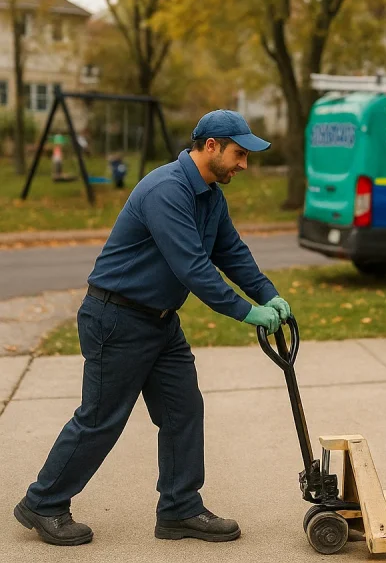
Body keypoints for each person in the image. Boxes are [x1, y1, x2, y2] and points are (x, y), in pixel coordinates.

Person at [14, 110, 291, 547]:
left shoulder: (210, 196)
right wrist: (246, 312)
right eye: (239, 153)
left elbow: (231, 252)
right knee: (101, 419)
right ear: (212, 146)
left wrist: (268, 294)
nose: (244, 164)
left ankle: (180, 509)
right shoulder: (167, 190)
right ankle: (43, 502)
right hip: (117, 318)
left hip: (160, 322)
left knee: (183, 410)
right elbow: (193, 268)